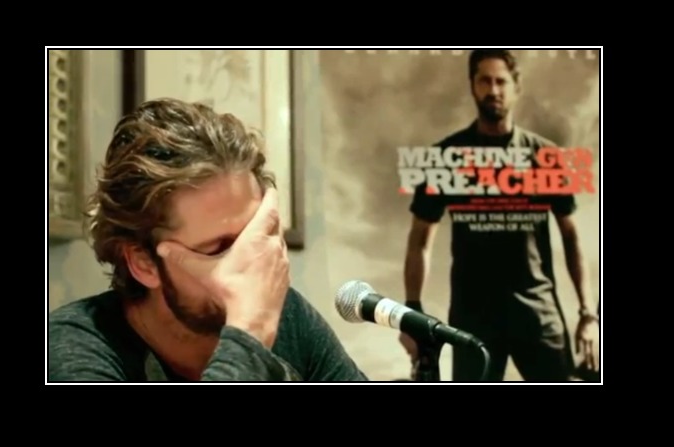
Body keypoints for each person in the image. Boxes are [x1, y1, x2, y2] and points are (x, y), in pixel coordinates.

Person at [48, 98, 367, 382]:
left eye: (257, 234)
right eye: (220, 248)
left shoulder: (288, 316)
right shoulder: (71, 349)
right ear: (143, 263)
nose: (254, 266)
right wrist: (250, 331)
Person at [400, 49, 599, 382]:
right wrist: (412, 312)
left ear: (516, 87)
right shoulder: (446, 157)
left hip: (538, 315)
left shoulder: (546, 156)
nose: (493, 90)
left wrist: (588, 313)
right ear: (472, 85)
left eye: (501, 81)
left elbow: (571, 237)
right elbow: (420, 240)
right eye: (484, 81)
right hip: (473, 320)